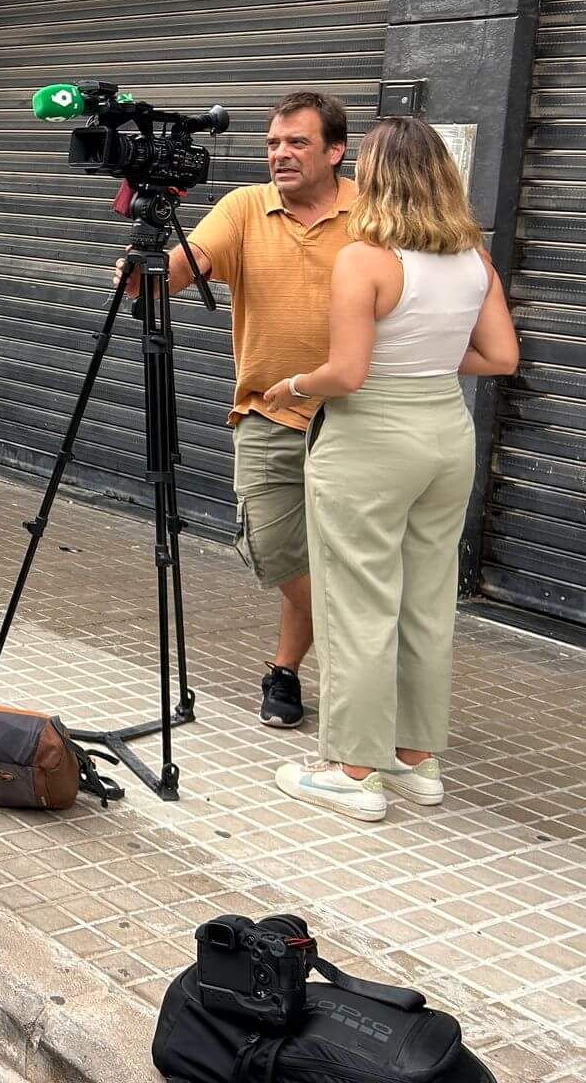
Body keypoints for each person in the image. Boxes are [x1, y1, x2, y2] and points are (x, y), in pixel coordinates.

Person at [262, 118, 516, 822]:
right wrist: (427, 360)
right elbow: (500, 358)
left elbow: (346, 373)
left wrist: (295, 387)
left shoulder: (364, 257)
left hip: (373, 440)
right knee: (426, 602)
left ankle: (351, 771)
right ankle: (415, 761)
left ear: (374, 177)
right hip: (445, 433)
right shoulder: (471, 255)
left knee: (358, 604)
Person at [151, 91, 357, 730]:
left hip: (356, 414)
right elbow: (190, 267)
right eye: (273, 144)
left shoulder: (374, 212)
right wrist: (149, 268)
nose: (281, 154)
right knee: (274, 549)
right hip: (269, 410)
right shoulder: (244, 207)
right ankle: (367, 632)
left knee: (341, 551)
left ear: (334, 151)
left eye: (297, 142)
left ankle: (286, 670)